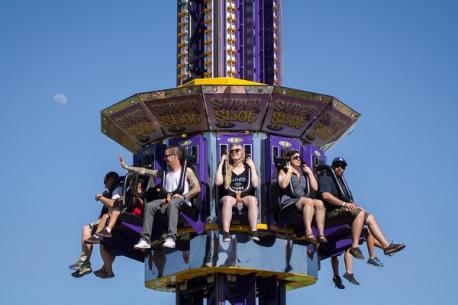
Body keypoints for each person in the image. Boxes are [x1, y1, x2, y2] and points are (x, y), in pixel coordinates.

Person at [319, 157, 405, 286]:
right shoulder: (327, 178)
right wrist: (344, 204)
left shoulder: (341, 182)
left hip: (343, 214)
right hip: (329, 215)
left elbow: (348, 202)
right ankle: (355, 248)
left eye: (342, 166)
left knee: (369, 217)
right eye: (337, 165)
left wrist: (355, 206)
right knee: (359, 215)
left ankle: (386, 246)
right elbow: (326, 195)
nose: (339, 168)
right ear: (332, 166)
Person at [119, 146, 201, 249]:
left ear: (175, 157)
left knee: (173, 202)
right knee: (149, 206)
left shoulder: (187, 171)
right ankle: (145, 239)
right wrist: (127, 167)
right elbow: (144, 171)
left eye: (167, 156)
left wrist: (184, 196)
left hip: (181, 202)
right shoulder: (164, 173)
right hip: (167, 201)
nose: (164, 159)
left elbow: (197, 188)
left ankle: (171, 237)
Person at [69, 171, 122, 278]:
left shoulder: (118, 186)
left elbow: (113, 203)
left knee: (88, 229)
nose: (105, 185)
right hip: (108, 218)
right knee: (98, 240)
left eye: (105, 182)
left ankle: (86, 261)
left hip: (113, 217)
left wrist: (100, 197)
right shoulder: (111, 190)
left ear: (111, 179)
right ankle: (88, 262)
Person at [277, 150, 327, 243]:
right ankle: (308, 232)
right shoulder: (283, 171)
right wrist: (289, 172)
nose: (299, 159)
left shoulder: (304, 174)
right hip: (288, 202)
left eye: (300, 157)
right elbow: (283, 185)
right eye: (296, 157)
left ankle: (321, 234)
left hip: (303, 201)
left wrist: (310, 172)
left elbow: (315, 188)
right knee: (308, 201)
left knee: (319, 203)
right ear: (289, 160)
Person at [215, 143, 260, 242]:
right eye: (232, 151)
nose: (234, 152)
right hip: (230, 196)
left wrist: (252, 167)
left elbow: (255, 184)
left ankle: (254, 231)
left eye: (237, 150)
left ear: (243, 153)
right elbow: (218, 182)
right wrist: (222, 163)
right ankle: (226, 232)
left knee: (253, 199)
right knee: (227, 200)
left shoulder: (248, 168)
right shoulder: (227, 168)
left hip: (244, 196)